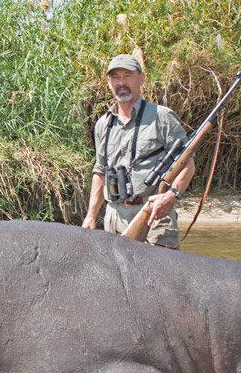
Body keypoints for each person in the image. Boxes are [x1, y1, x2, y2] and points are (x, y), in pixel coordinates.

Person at [82, 53, 195, 247]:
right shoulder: (103, 124)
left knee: (158, 275)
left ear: (141, 79)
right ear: (109, 82)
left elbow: (188, 164)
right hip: (114, 217)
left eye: (127, 76)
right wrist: (91, 215)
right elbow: (100, 171)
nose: (121, 82)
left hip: (154, 214)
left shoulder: (162, 117)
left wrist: (171, 195)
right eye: (116, 77)